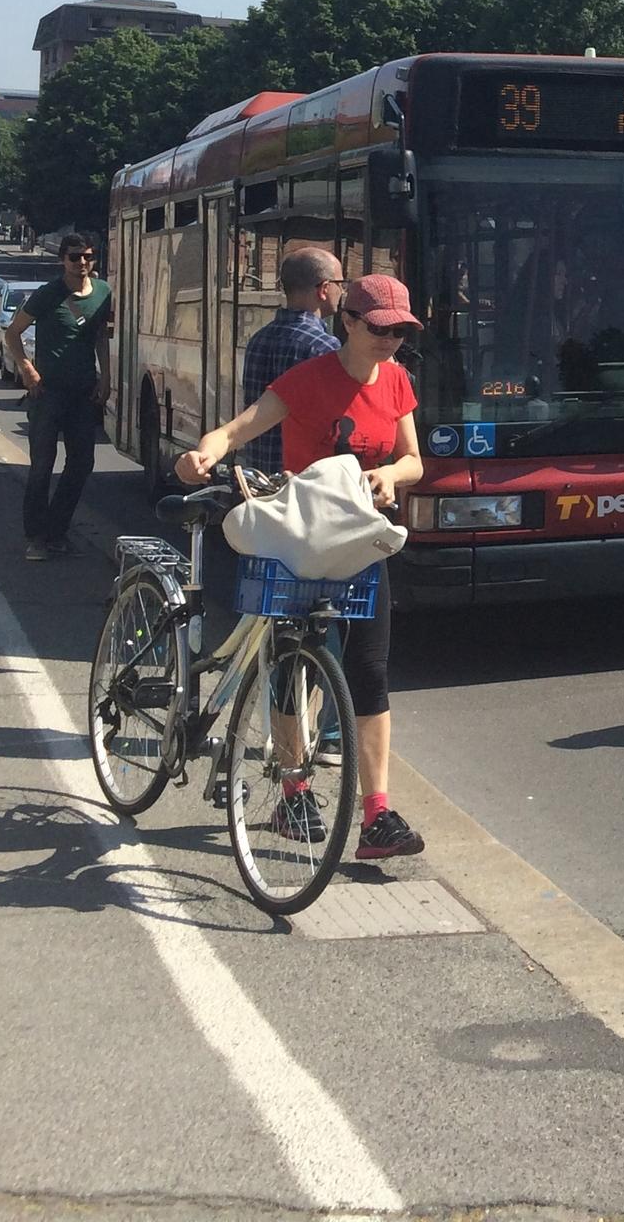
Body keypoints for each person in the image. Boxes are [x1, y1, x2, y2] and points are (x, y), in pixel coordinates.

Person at [175, 275, 428, 861]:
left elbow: (414, 459)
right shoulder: (310, 379)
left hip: (361, 545)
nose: (391, 341)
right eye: (381, 328)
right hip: (300, 544)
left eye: (402, 330)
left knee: (370, 671)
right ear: (349, 321)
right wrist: (203, 454)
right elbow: (239, 430)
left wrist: (390, 475)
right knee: (295, 669)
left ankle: (377, 815)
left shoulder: (396, 382)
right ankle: (294, 792)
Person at [4, 232, 114, 561]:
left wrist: (105, 376)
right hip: (48, 392)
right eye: (75, 257)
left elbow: (100, 337)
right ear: (62, 260)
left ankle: (56, 529)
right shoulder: (48, 294)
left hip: (83, 392)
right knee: (42, 466)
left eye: (88, 257)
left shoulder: (103, 292)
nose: (82, 263)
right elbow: (13, 333)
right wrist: (27, 368)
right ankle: (37, 536)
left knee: (82, 464)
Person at [239, 245, 344, 476]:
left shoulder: (259, 339)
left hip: (260, 478)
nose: (342, 291)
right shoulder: (325, 347)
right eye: (340, 284)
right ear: (324, 289)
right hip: (302, 480)